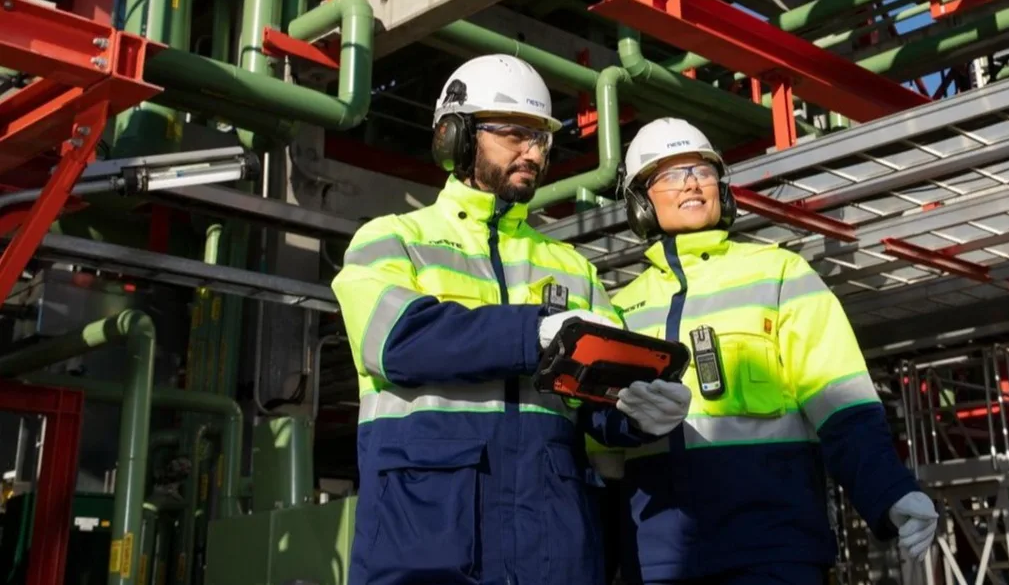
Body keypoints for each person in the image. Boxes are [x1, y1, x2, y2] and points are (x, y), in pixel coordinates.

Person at [331, 55, 692, 585]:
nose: (533, 152)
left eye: (541, 138)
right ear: (455, 137)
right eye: (514, 135)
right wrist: (533, 332)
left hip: (555, 545)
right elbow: (397, 340)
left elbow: (598, 394)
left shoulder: (574, 268)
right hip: (424, 540)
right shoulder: (392, 239)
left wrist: (636, 415)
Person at [607, 118, 939, 585]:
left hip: (773, 550)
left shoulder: (781, 274)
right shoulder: (619, 309)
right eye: (669, 175)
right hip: (660, 559)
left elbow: (843, 403)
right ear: (641, 202)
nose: (691, 184)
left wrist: (890, 492)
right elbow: (599, 447)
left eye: (702, 171)